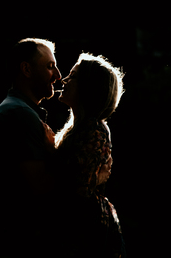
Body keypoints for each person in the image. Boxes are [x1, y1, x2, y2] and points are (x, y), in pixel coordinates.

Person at [0, 37, 62, 257]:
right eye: (49, 67)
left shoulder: (17, 110)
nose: (58, 76)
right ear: (26, 69)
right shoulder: (19, 114)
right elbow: (42, 189)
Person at [52, 53, 126, 258]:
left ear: (88, 88)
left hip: (86, 233)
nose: (64, 80)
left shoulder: (93, 130)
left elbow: (78, 191)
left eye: (72, 76)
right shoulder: (78, 128)